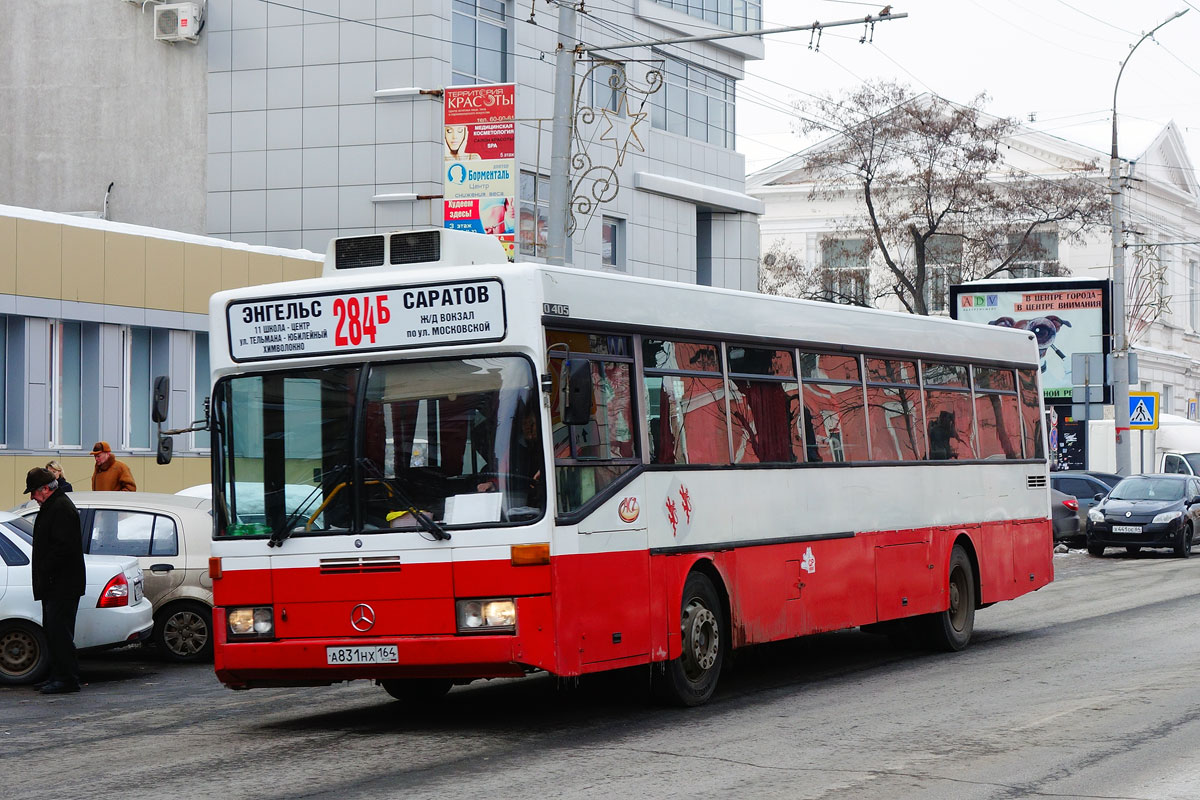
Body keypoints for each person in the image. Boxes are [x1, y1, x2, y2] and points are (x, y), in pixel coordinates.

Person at [26, 467, 84, 694]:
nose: (32, 497)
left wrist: (45, 568)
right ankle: (57, 675)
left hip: (62, 584)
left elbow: (63, 548)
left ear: (45, 489)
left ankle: (67, 679)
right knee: (53, 631)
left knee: (60, 633)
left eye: (33, 492)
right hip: (55, 584)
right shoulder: (55, 506)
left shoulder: (60, 508)